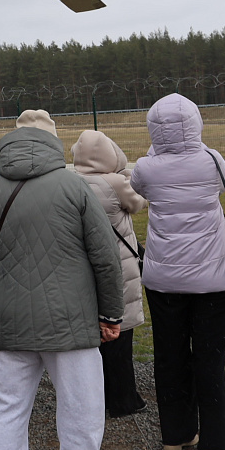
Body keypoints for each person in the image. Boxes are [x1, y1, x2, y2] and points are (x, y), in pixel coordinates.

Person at [0, 110, 125, 450]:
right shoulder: (74, 186)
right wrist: (111, 313)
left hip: (10, 320)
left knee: (7, 406)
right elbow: (106, 258)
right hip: (71, 320)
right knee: (81, 404)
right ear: (53, 142)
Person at [130, 93, 225, 450]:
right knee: (210, 358)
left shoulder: (146, 167)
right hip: (214, 277)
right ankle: (216, 441)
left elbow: (140, 187)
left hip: (163, 277)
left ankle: (176, 434)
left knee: (169, 355)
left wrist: (160, 151)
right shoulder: (211, 160)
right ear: (196, 124)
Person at [72, 129, 148, 417]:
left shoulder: (71, 182)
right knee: (120, 332)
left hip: (85, 265)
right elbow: (139, 203)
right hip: (119, 264)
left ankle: (95, 396)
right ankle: (123, 399)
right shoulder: (115, 182)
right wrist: (124, 174)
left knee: (94, 335)